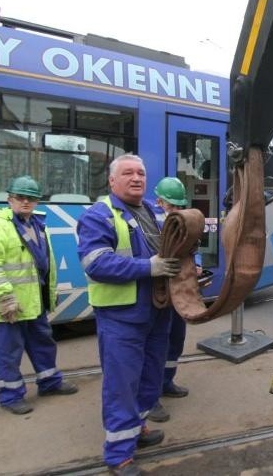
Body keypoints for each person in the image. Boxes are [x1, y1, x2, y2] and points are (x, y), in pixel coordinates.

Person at [77, 154, 181, 476]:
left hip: (156, 312)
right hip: (121, 317)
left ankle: (137, 428)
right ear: (112, 181)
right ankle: (119, 455)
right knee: (122, 385)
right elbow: (95, 263)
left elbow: (167, 252)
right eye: (128, 173)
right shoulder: (99, 216)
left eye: (141, 173)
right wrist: (147, 267)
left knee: (149, 379)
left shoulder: (150, 210)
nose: (136, 178)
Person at [0, 175, 78, 416]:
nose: (25, 202)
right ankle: (10, 396)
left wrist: (50, 293)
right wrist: (4, 297)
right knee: (8, 352)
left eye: (31, 198)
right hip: (9, 306)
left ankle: (50, 382)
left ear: (37, 201)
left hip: (33, 300)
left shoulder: (37, 225)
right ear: (9, 199)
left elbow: (43, 264)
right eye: (20, 197)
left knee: (43, 344)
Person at [146, 176, 200, 424]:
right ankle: (151, 397)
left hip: (177, 292)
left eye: (179, 206)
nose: (175, 211)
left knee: (175, 340)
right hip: (158, 291)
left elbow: (189, 251)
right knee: (156, 347)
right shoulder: (149, 221)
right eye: (171, 205)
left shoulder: (181, 222)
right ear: (159, 201)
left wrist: (196, 267)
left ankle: (166, 382)